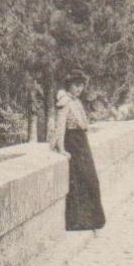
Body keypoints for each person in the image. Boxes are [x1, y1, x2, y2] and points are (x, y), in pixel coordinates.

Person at [52, 72, 106, 232]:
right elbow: (60, 125)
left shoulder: (76, 101)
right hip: (73, 143)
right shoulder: (65, 101)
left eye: (81, 85)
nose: (79, 89)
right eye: (76, 85)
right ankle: (78, 221)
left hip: (82, 143)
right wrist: (61, 148)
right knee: (80, 179)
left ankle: (91, 220)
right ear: (69, 85)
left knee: (91, 179)